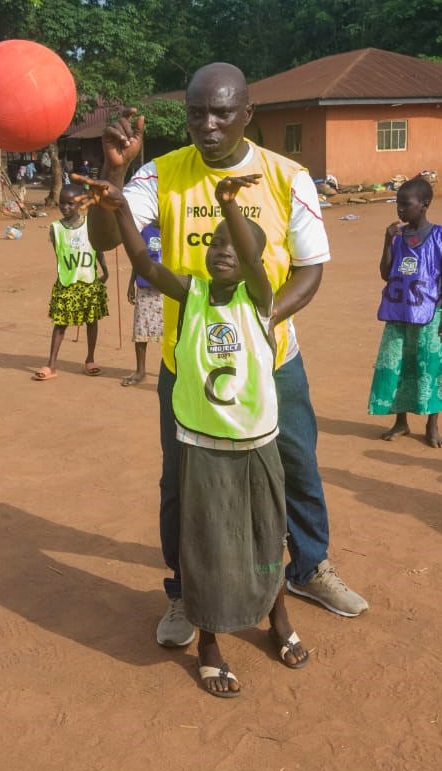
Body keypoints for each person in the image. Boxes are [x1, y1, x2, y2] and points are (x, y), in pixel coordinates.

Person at [84, 62, 368, 649]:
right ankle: (185, 592)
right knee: (180, 483)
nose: (206, 125)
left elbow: (311, 270)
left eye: (220, 112)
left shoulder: (289, 177)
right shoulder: (160, 175)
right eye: (195, 113)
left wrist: (258, 326)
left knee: (297, 467)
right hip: (187, 367)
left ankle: (309, 567)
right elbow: (108, 241)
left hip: (272, 364)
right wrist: (114, 169)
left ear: (247, 114)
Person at [88, 171, 310, 696]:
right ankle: (209, 640)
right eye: (214, 242)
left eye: (233, 243)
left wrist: (228, 203)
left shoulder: (259, 300)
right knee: (206, 543)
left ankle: (275, 617)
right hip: (201, 445)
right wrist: (121, 208)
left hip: (256, 442)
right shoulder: (191, 294)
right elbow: (144, 263)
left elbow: (254, 262)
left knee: (266, 533)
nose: (222, 250)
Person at [368, 176, 442, 446]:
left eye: (406, 205)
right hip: (397, 316)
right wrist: (386, 241)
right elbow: (385, 273)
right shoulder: (397, 237)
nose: (400, 210)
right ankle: (400, 422)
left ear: (425, 204)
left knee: (429, 367)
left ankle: (432, 425)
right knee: (396, 367)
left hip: (428, 317)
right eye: (398, 205)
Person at [34, 183, 108, 381]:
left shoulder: (90, 225)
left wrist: (105, 271)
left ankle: (90, 360)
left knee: (92, 321)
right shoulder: (55, 229)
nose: (65, 208)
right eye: (62, 204)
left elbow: (98, 249)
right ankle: (51, 365)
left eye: (70, 204)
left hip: (89, 282)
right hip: (66, 283)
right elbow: (60, 255)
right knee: (60, 324)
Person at [122, 223, 162, 387]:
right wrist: (131, 283)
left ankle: (176, 370)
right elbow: (136, 257)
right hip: (146, 285)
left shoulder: (176, 227)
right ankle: (140, 370)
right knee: (141, 329)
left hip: (169, 287)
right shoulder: (144, 231)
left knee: (173, 331)